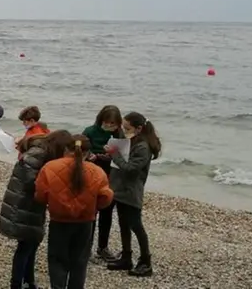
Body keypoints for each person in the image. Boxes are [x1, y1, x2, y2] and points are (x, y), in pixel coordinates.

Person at [35, 135, 114, 289]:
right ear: (87, 152)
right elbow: (106, 196)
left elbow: (40, 194)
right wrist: (94, 207)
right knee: (79, 261)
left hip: (59, 220)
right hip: (85, 221)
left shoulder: (51, 167)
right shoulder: (97, 171)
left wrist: (52, 203)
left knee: (57, 260)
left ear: (66, 149)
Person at [0, 130, 72, 289]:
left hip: (28, 205)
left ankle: (29, 281)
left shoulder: (41, 151)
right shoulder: (38, 154)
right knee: (25, 247)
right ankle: (16, 284)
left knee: (32, 243)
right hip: (23, 206)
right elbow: (32, 181)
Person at [105, 112, 161, 277]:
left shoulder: (143, 147)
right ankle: (126, 256)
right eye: (123, 126)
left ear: (139, 128)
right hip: (120, 188)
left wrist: (114, 154)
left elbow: (131, 169)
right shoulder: (132, 140)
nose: (124, 130)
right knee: (123, 223)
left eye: (127, 128)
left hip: (131, 192)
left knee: (136, 225)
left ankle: (146, 261)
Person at [82, 105, 123, 262]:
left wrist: (109, 156)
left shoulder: (119, 134)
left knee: (107, 212)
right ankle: (87, 247)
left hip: (111, 176)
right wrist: (91, 155)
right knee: (91, 213)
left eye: (113, 123)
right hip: (92, 175)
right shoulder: (90, 131)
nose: (109, 126)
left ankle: (103, 247)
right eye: (107, 122)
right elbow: (80, 147)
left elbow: (123, 155)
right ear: (101, 120)